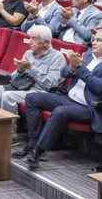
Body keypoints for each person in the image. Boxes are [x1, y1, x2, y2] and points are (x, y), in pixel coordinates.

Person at [17, 30, 102, 170]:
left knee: (60, 112)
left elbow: (98, 88)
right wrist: (72, 67)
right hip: (68, 98)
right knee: (32, 98)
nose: (93, 42)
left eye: (99, 40)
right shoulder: (87, 56)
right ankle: (33, 142)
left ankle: (37, 152)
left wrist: (80, 68)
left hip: (88, 107)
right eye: (93, 39)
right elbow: (64, 73)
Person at [0, 25, 66, 140]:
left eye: (33, 39)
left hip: (40, 92)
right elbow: (13, 77)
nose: (29, 42)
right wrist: (20, 70)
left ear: (45, 42)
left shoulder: (57, 57)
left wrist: (31, 69)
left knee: (7, 96)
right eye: (29, 38)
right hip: (22, 86)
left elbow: (51, 85)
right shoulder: (28, 53)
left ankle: (9, 135)